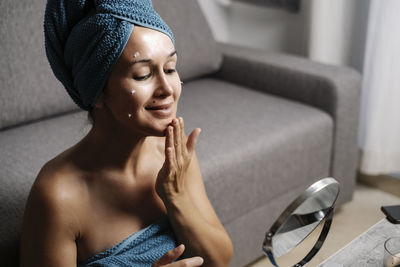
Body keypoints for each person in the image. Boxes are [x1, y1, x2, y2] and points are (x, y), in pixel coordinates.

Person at [19, 0, 233, 266]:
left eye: (170, 68)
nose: (167, 89)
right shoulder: (58, 194)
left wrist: (176, 197)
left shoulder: (171, 154)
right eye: (143, 75)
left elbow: (219, 260)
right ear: (96, 92)